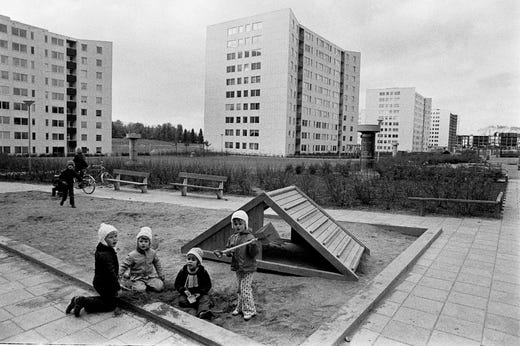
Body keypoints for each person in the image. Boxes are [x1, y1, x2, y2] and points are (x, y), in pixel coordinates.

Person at [66, 223, 121, 317]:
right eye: (111, 237)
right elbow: (111, 273)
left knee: (108, 300)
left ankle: (79, 301)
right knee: (110, 305)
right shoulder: (105, 254)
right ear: (104, 239)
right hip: (104, 284)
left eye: (115, 236)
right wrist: (117, 287)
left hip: (102, 281)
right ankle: (82, 301)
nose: (115, 239)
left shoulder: (104, 248)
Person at [214, 210, 258, 321]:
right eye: (235, 224)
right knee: (240, 289)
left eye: (240, 223)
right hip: (238, 267)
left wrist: (253, 246)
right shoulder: (233, 237)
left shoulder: (249, 238)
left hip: (248, 268)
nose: (237, 226)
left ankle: (250, 310)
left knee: (245, 289)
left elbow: (254, 254)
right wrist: (223, 252)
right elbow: (229, 251)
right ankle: (240, 307)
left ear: (245, 224)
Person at [119, 227, 165, 292]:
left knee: (159, 287)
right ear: (137, 242)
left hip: (150, 276)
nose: (143, 243)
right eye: (141, 241)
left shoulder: (152, 253)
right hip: (137, 277)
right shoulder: (132, 255)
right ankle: (131, 283)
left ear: (149, 243)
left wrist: (161, 274)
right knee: (140, 290)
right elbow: (124, 265)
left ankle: (149, 286)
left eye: (146, 241)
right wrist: (118, 276)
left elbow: (157, 263)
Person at [174, 247, 213, 320]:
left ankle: (202, 312)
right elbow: (177, 283)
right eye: (188, 259)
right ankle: (198, 306)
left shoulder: (203, 272)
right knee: (182, 300)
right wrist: (183, 290)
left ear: (198, 263)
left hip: (199, 294)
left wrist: (200, 293)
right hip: (187, 294)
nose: (190, 261)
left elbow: (208, 285)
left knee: (205, 298)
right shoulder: (183, 271)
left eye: (193, 260)